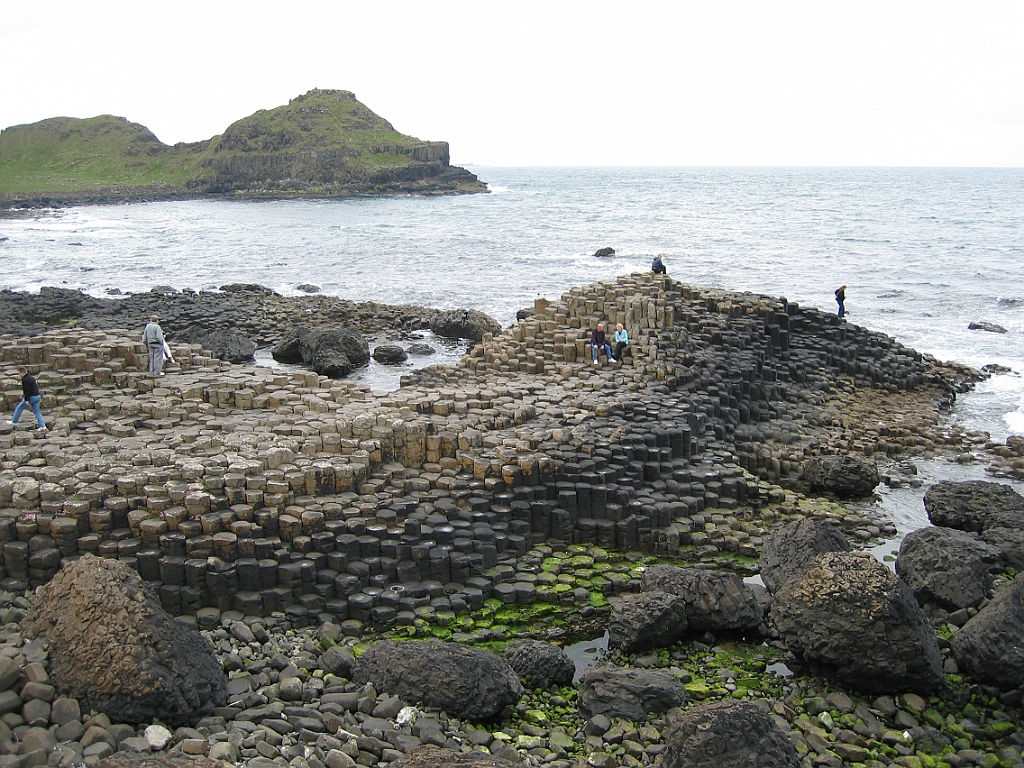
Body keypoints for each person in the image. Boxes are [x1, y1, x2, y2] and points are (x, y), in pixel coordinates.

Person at [7, 366, 47, 432]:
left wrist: (27, 400)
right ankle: (43, 426)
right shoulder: (31, 378)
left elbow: (27, 390)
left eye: (19, 373)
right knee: (37, 412)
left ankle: (14, 421)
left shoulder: (24, 379)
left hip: (31, 397)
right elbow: (33, 387)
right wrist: (24, 395)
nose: (19, 375)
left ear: (21, 372)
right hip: (37, 396)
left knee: (19, 408)